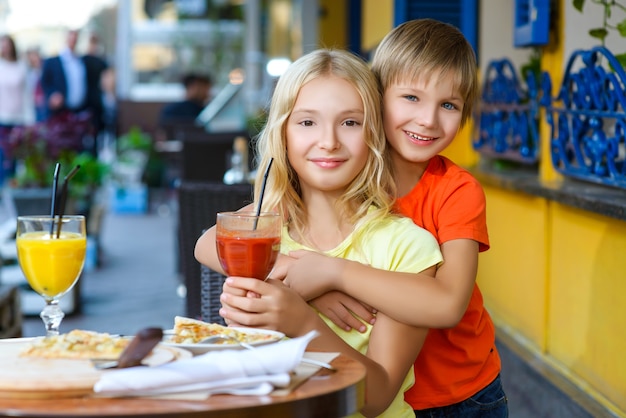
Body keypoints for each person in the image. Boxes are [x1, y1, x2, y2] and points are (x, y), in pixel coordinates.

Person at [271, 19, 509, 417]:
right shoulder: (344, 172)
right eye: (411, 98)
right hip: (378, 382)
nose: (428, 120)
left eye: (448, 105)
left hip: (457, 393)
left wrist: (332, 275)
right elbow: (210, 242)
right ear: (376, 98)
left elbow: (448, 304)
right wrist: (295, 276)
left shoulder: (456, 191)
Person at [194, 49, 443, 417]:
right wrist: (303, 285)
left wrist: (301, 320)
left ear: (374, 132)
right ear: (283, 133)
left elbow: (376, 396)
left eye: (350, 123)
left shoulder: (406, 248)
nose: (329, 141)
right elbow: (205, 244)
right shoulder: (264, 225)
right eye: (307, 122)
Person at [0, 34, 28, 182]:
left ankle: (13, 187)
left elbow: (26, 94)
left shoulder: (21, 66)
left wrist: (29, 118)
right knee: (2, 157)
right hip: (2, 118)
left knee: (16, 157)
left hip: (18, 118)